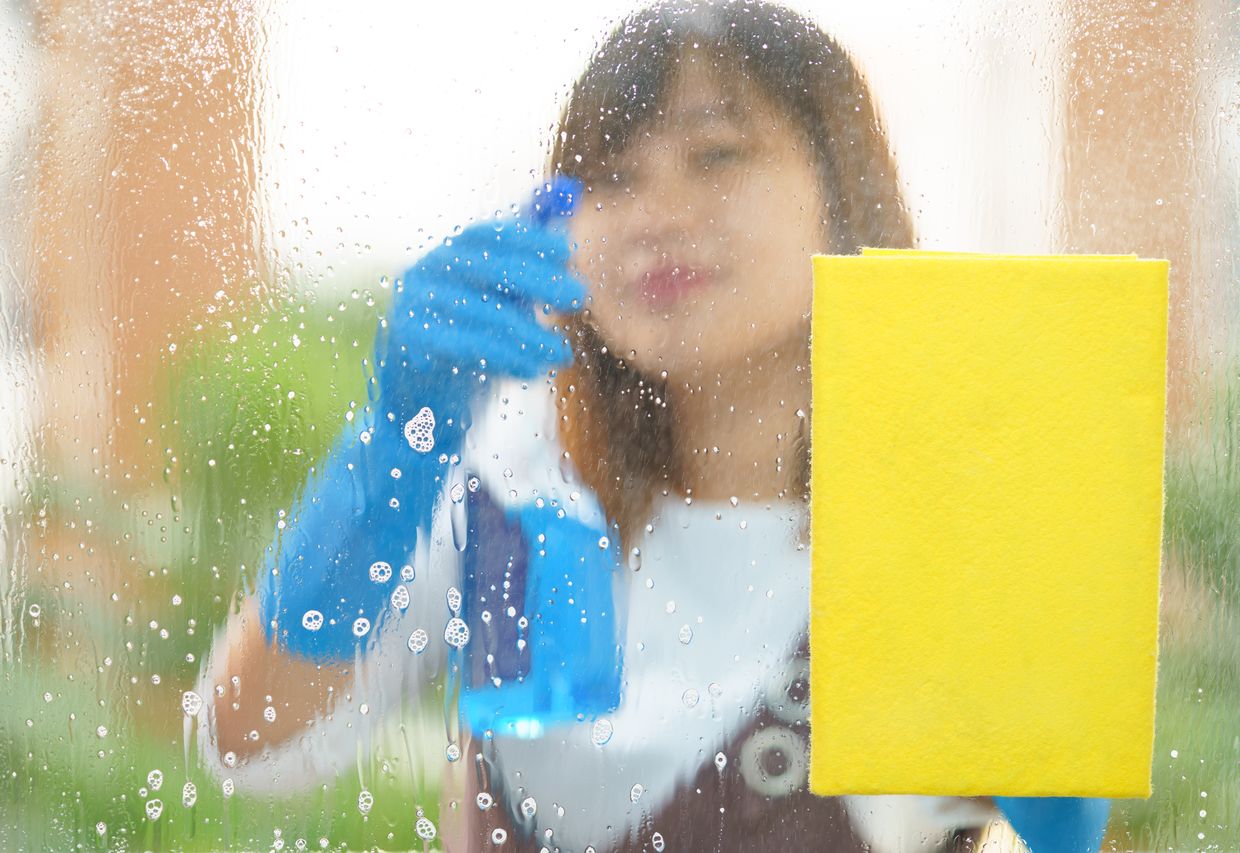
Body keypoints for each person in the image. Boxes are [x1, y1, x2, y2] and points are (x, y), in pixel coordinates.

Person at [201, 2, 1113, 851]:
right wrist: (384, 458)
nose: (656, 216)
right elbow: (250, 742)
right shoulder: (516, 485)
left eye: (716, 155)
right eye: (610, 177)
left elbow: (1058, 828)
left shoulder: (939, 519)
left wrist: (1032, 673)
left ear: (845, 192)